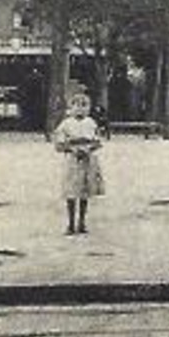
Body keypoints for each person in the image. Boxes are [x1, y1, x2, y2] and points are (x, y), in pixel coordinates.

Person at [51, 92, 104, 235]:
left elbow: (98, 141)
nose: (80, 109)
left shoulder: (91, 123)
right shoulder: (66, 124)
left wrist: (89, 149)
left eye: (84, 105)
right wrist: (72, 149)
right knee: (71, 191)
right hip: (72, 160)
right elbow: (58, 144)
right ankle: (71, 223)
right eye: (77, 105)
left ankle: (82, 222)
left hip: (87, 159)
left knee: (84, 192)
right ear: (71, 107)